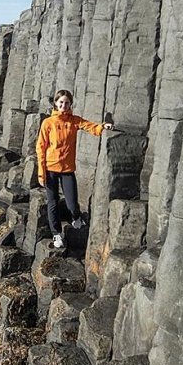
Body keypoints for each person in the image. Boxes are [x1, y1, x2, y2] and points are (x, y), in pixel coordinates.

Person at [35, 89, 113, 249]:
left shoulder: (73, 121)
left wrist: (103, 126)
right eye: (61, 102)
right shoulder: (48, 123)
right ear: (55, 103)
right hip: (50, 169)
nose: (64, 105)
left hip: (67, 170)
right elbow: (40, 148)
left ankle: (75, 218)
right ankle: (56, 234)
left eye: (67, 102)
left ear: (70, 104)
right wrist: (41, 173)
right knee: (53, 202)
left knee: (72, 203)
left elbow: (89, 126)